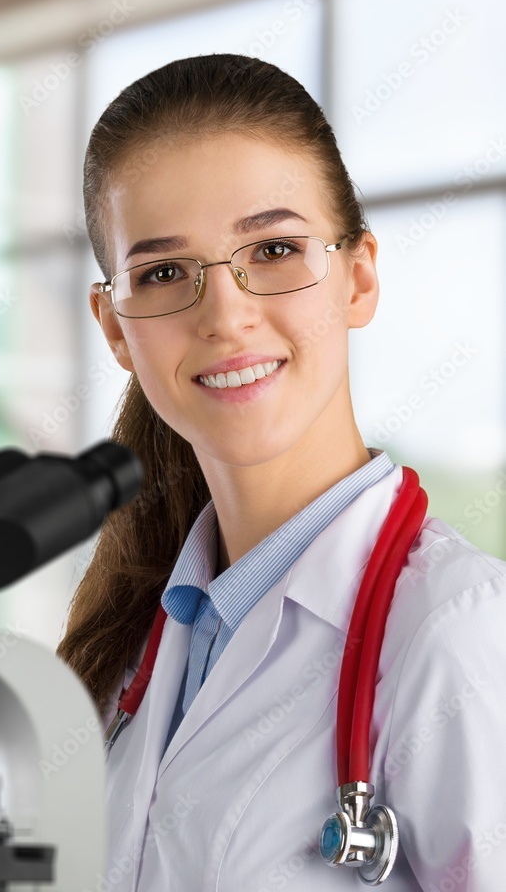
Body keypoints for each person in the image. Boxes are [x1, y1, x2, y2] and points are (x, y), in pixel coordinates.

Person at [57, 53, 506, 891]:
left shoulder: (459, 634)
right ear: (115, 329)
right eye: (162, 273)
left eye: (274, 248)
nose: (225, 315)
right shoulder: (134, 649)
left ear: (359, 276)